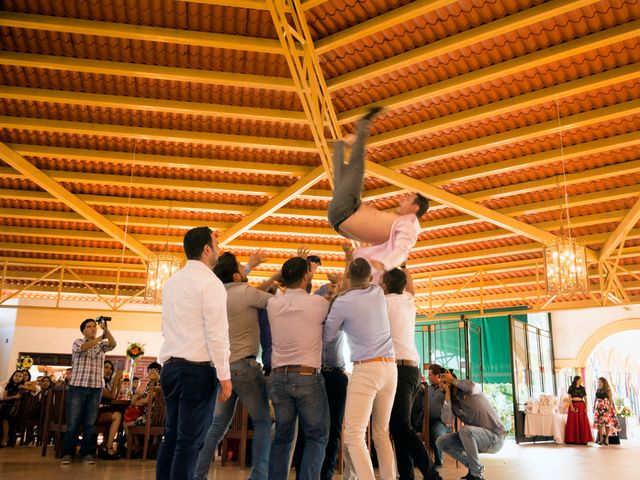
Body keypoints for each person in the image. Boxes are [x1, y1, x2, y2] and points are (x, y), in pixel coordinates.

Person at [193, 251, 280, 480]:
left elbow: (246, 287)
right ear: (235, 274)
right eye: (242, 269)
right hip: (244, 366)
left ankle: (198, 474)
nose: (246, 271)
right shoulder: (246, 293)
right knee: (262, 420)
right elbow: (277, 303)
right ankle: (259, 475)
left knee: (217, 425)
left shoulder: (217, 294)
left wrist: (257, 269)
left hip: (222, 368)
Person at [156, 226, 231, 480]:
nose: (219, 249)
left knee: (172, 436)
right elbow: (217, 332)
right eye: (216, 244)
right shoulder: (211, 283)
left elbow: (166, 327)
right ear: (207, 249)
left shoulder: (171, 282)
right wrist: (224, 373)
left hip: (170, 368)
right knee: (190, 443)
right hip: (196, 370)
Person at [327, 109, 429, 277]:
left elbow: (402, 250)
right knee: (341, 181)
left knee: (357, 169)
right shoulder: (398, 223)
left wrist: (384, 264)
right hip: (342, 215)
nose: (403, 198)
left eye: (408, 199)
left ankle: (364, 126)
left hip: (346, 211)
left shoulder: (408, 225)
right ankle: (339, 146)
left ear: (415, 208)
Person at [323, 257, 397, 480]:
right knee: (381, 433)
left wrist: (335, 303)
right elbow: (359, 281)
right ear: (370, 277)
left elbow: (328, 335)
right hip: (390, 368)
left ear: (347, 277)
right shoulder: (377, 292)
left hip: (367, 369)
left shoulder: (343, 303)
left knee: (354, 435)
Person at [267, 256, 330, 480]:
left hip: (279, 378)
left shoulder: (273, 304)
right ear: (306, 276)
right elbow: (335, 299)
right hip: (307, 377)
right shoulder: (317, 304)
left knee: (282, 438)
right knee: (317, 436)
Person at [383, 267, 437, 480]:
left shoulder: (384, 302)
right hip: (412, 369)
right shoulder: (407, 300)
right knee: (398, 427)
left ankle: (431, 474)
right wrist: (403, 265)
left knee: (400, 425)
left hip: (400, 370)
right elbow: (412, 286)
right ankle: (407, 476)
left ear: (385, 286)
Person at [61, 317, 117, 465]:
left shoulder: (101, 345)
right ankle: (68, 453)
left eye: (94, 326)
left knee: (89, 423)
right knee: (73, 422)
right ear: (83, 330)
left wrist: (106, 330)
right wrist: (100, 337)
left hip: (96, 389)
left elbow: (113, 343)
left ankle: (87, 453)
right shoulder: (78, 342)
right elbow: (84, 348)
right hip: (77, 387)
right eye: (89, 326)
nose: (93, 328)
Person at [436, 371, 505, 480]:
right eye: (440, 382)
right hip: (476, 438)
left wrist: (452, 381)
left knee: (465, 430)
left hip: (495, 438)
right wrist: (448, 394)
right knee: (441, 442)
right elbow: (446, 419)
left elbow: (471, 387)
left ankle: (476, 475)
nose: (441, 384)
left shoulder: (470, 390)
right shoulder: (453, 403)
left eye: (444, 380)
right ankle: (474, 468)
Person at [124, 362, 162, 455]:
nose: (151, 373)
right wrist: (137, 395)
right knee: (131, 418)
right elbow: (136, 399)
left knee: (126, 424)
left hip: (151, 418)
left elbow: (146, 401)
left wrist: (137, 400)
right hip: (148, 416)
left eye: (154, 371)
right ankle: (137, 445)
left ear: (159, 372)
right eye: (149, 371)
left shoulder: (158, 385)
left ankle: (133, 447)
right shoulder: (149, 384)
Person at [95, 359, 123, 459]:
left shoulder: (105, 382)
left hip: (98, 411)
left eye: (111, 368)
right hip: (93, 414)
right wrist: (115, 380)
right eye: (106, 367)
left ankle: (104, 445)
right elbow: (111, 396)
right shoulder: (98, 381)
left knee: (117, 412)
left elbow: (114, 397)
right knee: (117, 415)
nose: (109, 370)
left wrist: (119, 383)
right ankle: (108, 447)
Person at [426, 365, 450, 469]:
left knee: (435, 432)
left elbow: (449, 405)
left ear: (437, 376)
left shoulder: (444, 389)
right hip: (427, 420)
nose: (428, 377)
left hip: (441, 421)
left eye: (430, 375)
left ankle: (439, 460)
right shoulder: (427, 389)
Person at [565, 376, 593, 445]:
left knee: (582, 422)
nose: (581, 381)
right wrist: (571, 406)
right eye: (580, 380)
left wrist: (586, 407)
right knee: (572, 422)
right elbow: (569, 398)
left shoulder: (583, 388)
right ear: (576, 380)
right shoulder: (571, 387)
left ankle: (583, 439)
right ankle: (571, 439)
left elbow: (586, 399)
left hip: (581, 406)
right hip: (573, 405)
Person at [0, 370, 25, 447]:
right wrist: (14, 396)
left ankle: (5, 438)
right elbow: (4, 397)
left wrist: (24, 386)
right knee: (3, 414)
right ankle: (3, 437)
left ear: (22, 378)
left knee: (4, 418)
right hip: (7, 405)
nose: (17, 377)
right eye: (16, 375)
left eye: (20, 376)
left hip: (16, 408)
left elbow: (35, 384)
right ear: (13, 376)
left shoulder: (22, 385)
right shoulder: (9, 385)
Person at [593, 377, 620, 445]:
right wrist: (594, 406)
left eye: (600, 382)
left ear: (604, 383)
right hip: (598, 407)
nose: (599, 383)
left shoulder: (608, 390)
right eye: (598, 382)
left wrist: (608, 409)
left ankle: (607, 438)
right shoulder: (598, 390)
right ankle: (601, 438)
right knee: (599, 423)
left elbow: (610, 400)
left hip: (606, 407)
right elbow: (595, 399)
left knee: (606, 423)